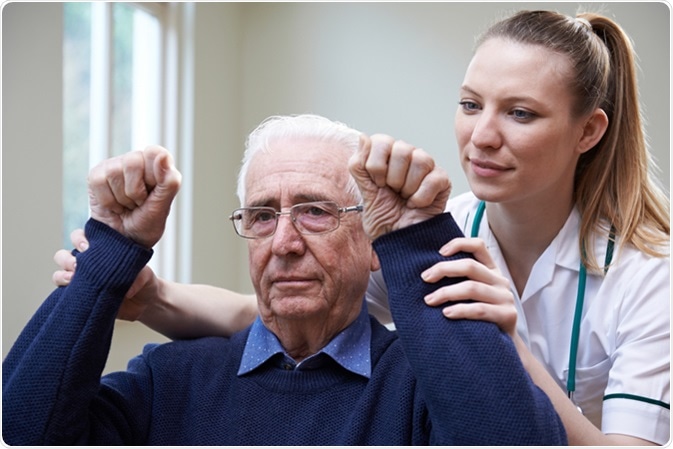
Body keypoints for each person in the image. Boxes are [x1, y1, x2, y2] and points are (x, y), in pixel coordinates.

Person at [51, 8, 670, 446]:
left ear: (589, 131)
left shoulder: (650, 277)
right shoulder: (432, 234)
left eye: (521, 113)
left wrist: (501, 345)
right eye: (469, 104)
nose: (481, 136)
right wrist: (145, 294)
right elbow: (273, 308)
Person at [2, 114, 567, 445]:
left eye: (316, 212)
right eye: (262, 215)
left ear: (373, 243)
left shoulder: (424, 385)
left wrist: (415, 240)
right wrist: (113, 248)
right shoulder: (169, 380)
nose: (284, 242)